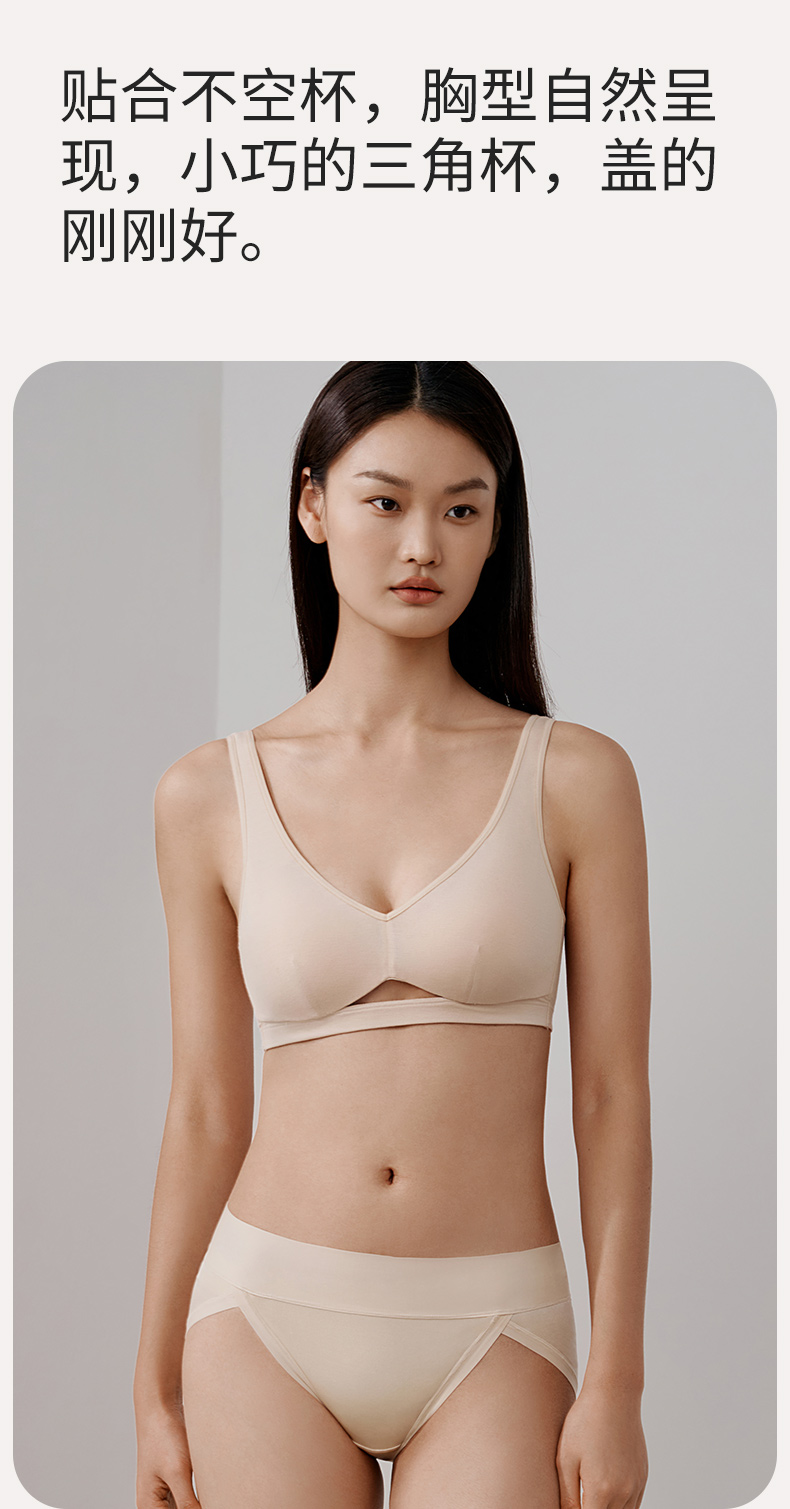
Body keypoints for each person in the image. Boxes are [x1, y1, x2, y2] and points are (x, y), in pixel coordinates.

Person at [133, 361, 651, 1509]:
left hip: (496, 1323)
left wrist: (616, 1382)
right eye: (385, 501)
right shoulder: (207, 794)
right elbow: (206, 1106)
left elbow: (610, 1095)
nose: (423, 544)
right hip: (261, 1313)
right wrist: (151, 1383)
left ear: (496, 529)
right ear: (313, 506)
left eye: (462, 509)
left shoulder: (575, 779)